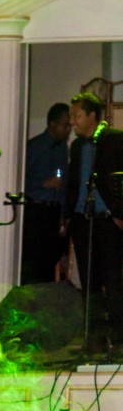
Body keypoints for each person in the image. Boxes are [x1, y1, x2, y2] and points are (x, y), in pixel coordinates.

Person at [65, 91, 123, 352]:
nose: (72, 121)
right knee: (89, 282)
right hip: (82, 220)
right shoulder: (76, 147)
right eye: (71, 116)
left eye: (77, 115)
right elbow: (73, 183)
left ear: (91, 116)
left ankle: (119, 338)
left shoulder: (114, 140)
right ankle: (95, 338)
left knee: (113, 280)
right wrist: (68, 217)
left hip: (108, 220)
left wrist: (120, 213)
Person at [21, 102, 71, 285]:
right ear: (52, 124)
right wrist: (43, 183)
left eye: (69, 126)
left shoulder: (63, 148)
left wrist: (63, 215)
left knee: (51, 262)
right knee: (34, 263)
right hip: (36, 211)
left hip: (54, 212)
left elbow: (63, 185)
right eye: (65, 125)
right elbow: (19, 180)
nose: (68, 130)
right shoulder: (35, 146)